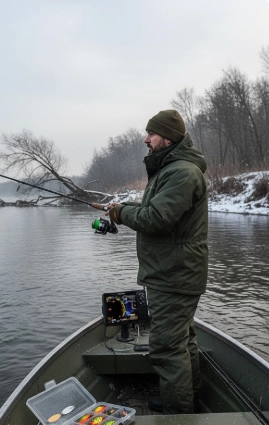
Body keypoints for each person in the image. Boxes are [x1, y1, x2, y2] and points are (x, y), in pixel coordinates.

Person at [105, 110, 208, 415]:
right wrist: (123, 207)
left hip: (174, 275)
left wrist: (121, 214)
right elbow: (153, 208)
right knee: (183, 339)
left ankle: (178, 413)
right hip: (173, 273)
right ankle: (187, 397)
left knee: (166, 347)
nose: (145, 139)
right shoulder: (171, 170)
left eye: (151, 134)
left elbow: (157, 218)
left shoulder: (181, 173)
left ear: (168, 137)